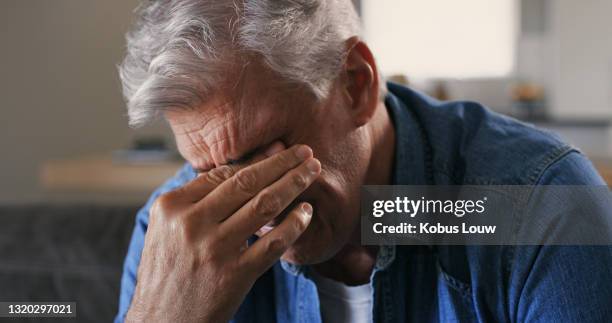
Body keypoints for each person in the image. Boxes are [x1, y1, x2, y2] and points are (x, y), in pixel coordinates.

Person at [115, 1, 612, 322]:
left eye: (264, 152)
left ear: (356, 83)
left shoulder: (539, 207)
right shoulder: (175, 231)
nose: (253, 209)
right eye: (209, 171)